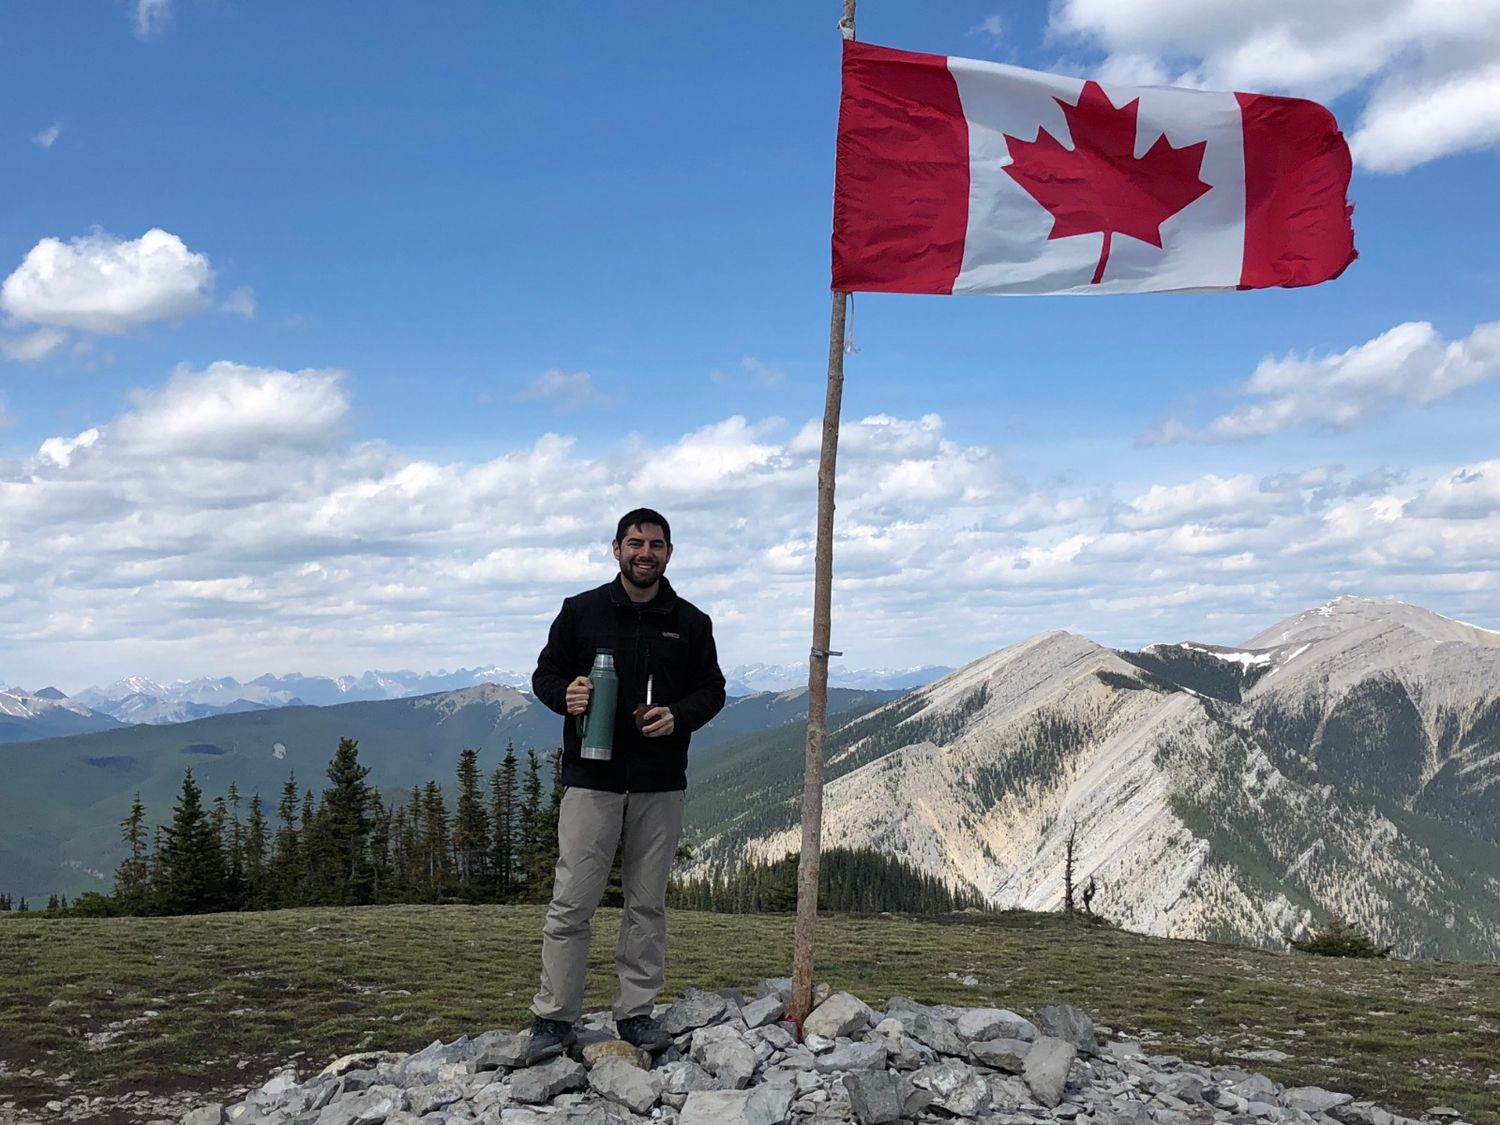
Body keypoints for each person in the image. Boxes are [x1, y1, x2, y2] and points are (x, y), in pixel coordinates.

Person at [526, 507, 726, 1061]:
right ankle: (554, 1018)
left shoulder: (690, 622)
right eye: (635, 543)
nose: (645, 553)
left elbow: (712, 689)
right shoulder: (580, 612)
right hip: (591, 781)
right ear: (616, 549)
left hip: (660, 784)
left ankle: (635, 1014)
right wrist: (563, 694)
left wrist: (679, 716)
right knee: (571, 903)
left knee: (647, 905)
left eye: (655, 544)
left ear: (669, 552)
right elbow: (544, 673)